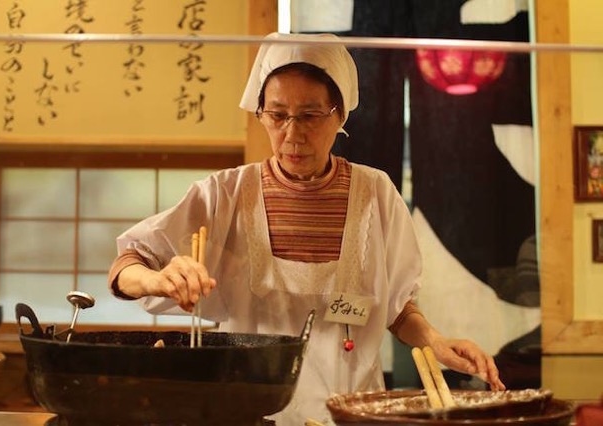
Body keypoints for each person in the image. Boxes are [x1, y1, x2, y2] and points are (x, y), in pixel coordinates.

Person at [108, 32, 505, 425]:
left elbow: (397, 310)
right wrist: (157, 280)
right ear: (261, 113)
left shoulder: (376, 194)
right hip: (250, 412)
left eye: (311, 116)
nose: (292, 134)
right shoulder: (226, 194)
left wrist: (437, 342)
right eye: (277, 115)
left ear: (340, 114)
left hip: (352, 411)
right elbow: (127, 264)